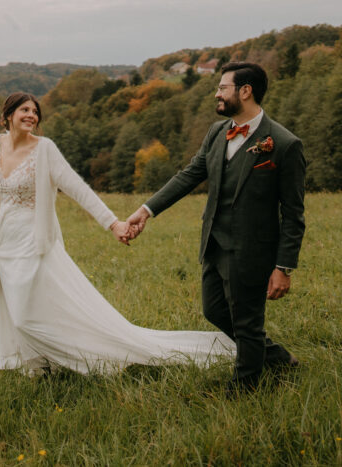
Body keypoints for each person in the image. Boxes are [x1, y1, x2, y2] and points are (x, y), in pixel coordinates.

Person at [0, 92, 235, 375]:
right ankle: (41, 365)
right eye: (24, 110)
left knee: (24, 317)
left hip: (34, 241)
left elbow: (77, 188)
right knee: (19, 309)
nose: (31, 115)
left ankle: (83, 356)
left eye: (35, 111)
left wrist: (113, 224)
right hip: (5, 241)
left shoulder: (45, 149)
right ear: (7, 115)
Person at [126, 62, 306, 393]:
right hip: (214, 242)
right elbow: (189, 175)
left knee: (247, 321)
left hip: (253, 249)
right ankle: (277, 358)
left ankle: (245, 389)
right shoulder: (217, 132)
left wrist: (283, 266)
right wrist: (147, 210)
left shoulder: (283, 143)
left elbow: (293, 214)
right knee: (214, 310)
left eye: (223, 87)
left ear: (245, 91)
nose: (217, 93)